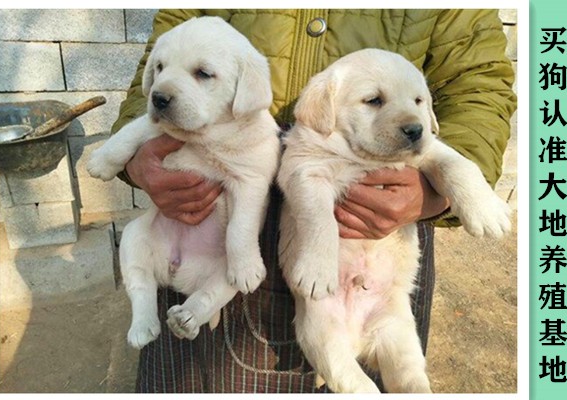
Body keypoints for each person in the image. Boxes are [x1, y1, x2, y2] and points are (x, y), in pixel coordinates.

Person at [108, 9, 515, 393]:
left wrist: (437, 192)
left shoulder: (410, 121)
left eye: (418, 104)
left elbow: (477, 81)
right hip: (228, 197)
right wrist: (137, 151)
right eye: (374, 100)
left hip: (392, 210)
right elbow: (166, 48)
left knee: (400, 352)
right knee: (209, 373)